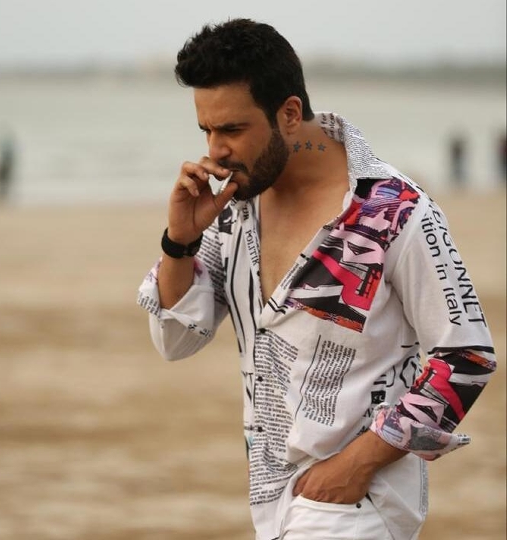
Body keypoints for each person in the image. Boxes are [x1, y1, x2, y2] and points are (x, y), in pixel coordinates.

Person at [137, 19, 496, 540]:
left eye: (232, 130)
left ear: (288, 114)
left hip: (359, 504)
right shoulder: (235, 206)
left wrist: (358, 464)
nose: (215, 151)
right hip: (273, 499)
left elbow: (466, 356)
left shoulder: (392, 210)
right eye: (206, 131)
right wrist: (180, 241)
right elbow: (175, 339)